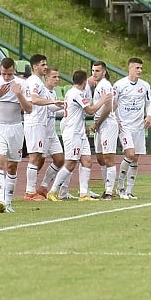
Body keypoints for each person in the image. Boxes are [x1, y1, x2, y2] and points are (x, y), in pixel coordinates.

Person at [47, 69, 110, 201]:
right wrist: (103, 100)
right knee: (70, 163)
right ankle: (53, 191)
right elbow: (91, 110)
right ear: (84, 81)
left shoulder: (73, 92)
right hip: (72, 133)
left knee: (87, 161)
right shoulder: (76, 94)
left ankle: (83, 193)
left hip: (80, 132)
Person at [0, 57, 32, 213]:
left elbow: (29, 109)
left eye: (9, 74)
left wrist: (19, 95)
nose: (6, 77)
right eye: (4, 74)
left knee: (12, 166)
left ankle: (9, 202)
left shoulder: (22, 85)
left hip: (15, 128)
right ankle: (0, 201)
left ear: (14, 70)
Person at [22, 54, 63, 201]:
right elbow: (34, 100)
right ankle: (29, 192)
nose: (45, 67)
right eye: (42, 64)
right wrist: (52, 101)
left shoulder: (38, 82)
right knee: (35, 157)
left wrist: (60, 106)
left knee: (43, 157)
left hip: (41, 123)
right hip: (35, 122)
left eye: (46, 64)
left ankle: (38, 189)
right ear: (35, 66)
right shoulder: (34, 81)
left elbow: (46, 105)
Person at [113, 57, 151, 199]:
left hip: (139, 127)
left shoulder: (145, 86)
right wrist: (115, 118)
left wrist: (148, 115)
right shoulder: (119, 85)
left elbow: (148, 103)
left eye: (141, 68)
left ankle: (129, 191)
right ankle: (120, 187)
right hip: (125, 126)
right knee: (130, 154)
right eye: (137, 68)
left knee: (135, 158)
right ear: (130, 68)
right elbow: (113, 103)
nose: (140, 71)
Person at [31, 66, 70, 198]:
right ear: (46, 78)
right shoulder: (43, 92)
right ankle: (31, 187)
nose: (57, 80)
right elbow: (49, 107)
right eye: (54, 77)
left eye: (58, 77)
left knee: (59, 159)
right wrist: (61, 107)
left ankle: (43, 186)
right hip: (42, 130)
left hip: (51, 132)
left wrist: (65, 109)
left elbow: (54, 108)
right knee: (39, 161)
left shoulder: (53, 93)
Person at [90, 60, 117, 200]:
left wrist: (97, 123)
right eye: (93, 71)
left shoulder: (105, 85)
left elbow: (108, 106)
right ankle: (108, 186)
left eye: (97, 71)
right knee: (100, 158)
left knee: (108, 157)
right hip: (100, 124)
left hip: (107, 124)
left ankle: (109, 191)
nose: (94, 73)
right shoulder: (99, 85)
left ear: (104, 72)